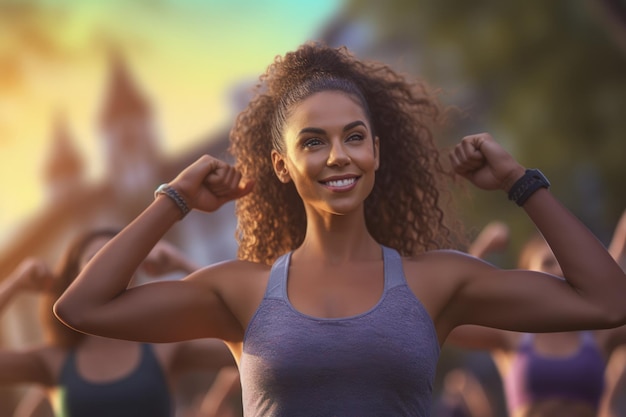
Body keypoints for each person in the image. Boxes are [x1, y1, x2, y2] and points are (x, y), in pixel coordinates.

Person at [53, 42, 626, 417]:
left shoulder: (437, 281)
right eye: (312, 141)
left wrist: (521, 182)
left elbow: (606, 300)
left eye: (354, 136)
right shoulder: (241, 290)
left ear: (376, 149)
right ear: (282, 165)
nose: (338, 157)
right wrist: (173, 199)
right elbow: (82, 308)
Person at [0, 229, 238, 417]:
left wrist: (182, 264)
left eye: (119, 262)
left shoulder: (163, 347)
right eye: (95, 262)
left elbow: (252, 332)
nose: (109, 272)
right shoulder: (52, 360)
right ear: (72, 280)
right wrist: (14, 284)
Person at [447, 215, 626, 417]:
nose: (559, 270)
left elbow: (617, 301)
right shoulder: (513, 334)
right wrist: (483, 247)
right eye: (548, 262)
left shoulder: (599, 333)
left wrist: (620, 243)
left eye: (566, 264)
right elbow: (450, 320)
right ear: (528, 277)